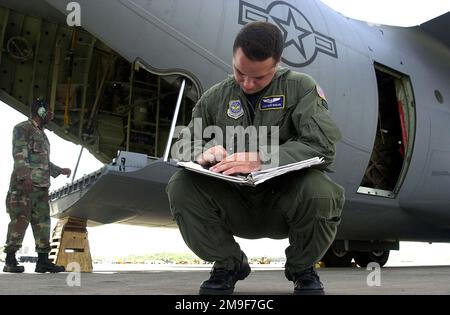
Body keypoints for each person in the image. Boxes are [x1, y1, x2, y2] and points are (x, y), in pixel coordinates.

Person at [166, 21, 345, 295]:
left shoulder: (301, 89)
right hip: (233, 200)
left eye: (259, 77)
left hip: (284, 200)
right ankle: (228, 265)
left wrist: (264, 158)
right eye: (239, 72)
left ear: (278, 63)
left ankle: (302, 268)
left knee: (322, 192)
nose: (247, 83)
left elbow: (322, 146)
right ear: (233, 57)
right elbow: (182, 145)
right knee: (180, 185)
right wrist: (200, 152)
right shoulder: (214, 98)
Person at [3, 99, 71, 273]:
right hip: (24, 186)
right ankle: (10, 260)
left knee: (43, 223)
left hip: (41, 187)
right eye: (48, 110)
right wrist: (24, 177)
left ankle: (42, 261)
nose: (51, 114)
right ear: (39, 111)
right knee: (20, 221)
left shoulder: (42, 134)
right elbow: (19, 154)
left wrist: (59, 170)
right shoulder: (23, 128)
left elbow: (42, 161)